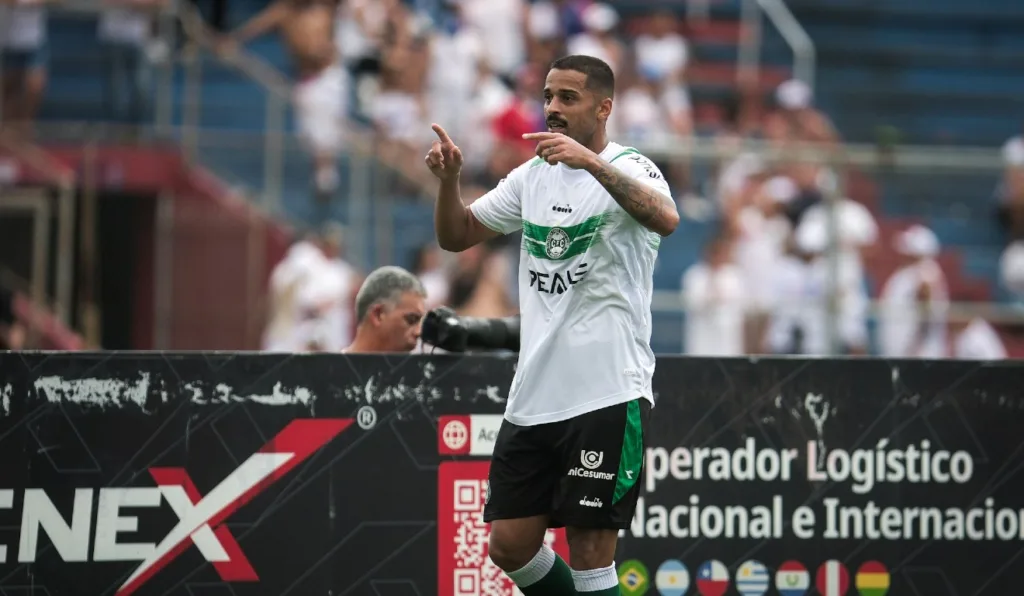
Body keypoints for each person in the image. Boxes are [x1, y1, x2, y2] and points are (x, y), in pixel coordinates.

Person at [426, 54, 679, 595]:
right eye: (548, 96)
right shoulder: (531, 176)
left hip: (606, 391)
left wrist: (591, 163)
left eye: (568, 97)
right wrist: (448, 183)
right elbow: (457, 234)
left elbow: (666, 218)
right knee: (509, 545)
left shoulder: (631, 166)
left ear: (603, 107)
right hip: (535, 392)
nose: (553, 109)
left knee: (590, 552)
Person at [219, 0, 347, 201]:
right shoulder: (282, 12)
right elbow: (257, 27)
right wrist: (234, 39)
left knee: (325, 134)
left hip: (328, 76)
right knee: (309, 135)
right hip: (304, 78)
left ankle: (327, 180)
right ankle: (322, 178)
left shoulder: (325, 6)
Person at [878, 225, 949, 359]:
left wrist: (914, 348)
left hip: (917, 355)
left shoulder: (927, 273)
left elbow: (925, 315)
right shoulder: (909, 272)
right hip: (904, 354)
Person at [343, 266, 427, 353]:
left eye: (420, 322)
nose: (418, 332)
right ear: (378, 315)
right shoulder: (332, 366)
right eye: (411, 319)